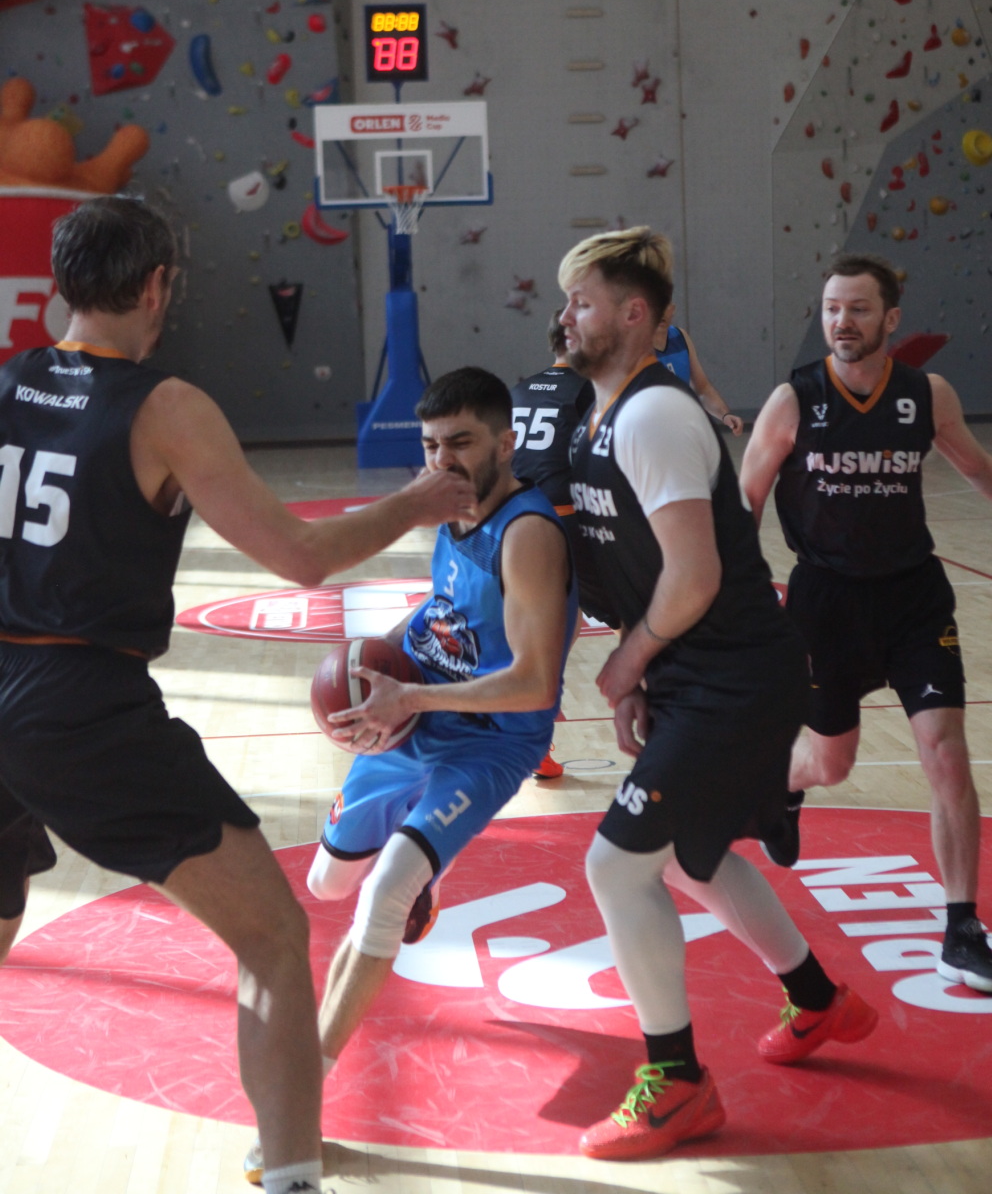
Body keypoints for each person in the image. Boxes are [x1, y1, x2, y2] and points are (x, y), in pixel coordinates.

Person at [0, 196, 475, 1194]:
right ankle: (293, 1175)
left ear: (62, 280)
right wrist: (417, 502)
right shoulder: (166, 406)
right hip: (75, 699)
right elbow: (301, 556)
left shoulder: (5, 381)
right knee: (270, 934)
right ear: (156, 286)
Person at [558, 227, 877, 1163]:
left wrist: (627, 664)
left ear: (634, 314)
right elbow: (642, 569)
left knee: (617, 867)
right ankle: (819, 1001)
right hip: (697, 673)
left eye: (581, 301)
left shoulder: (653, 415)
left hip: (735, 678)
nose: (563, 316)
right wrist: (643, 671)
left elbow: (693, 575)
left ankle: (679, 1085)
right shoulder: (598, 416)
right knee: (689, 859)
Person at [243, 366, 577, 1186]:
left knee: (384, 890)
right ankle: (416, 866)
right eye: (430, 446)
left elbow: (535, 682)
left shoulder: (527, 533)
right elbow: (444, 611)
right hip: (414, 713)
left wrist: (410, 696)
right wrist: (375, 665)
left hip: (488, 738)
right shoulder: (448, 512)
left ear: (505, 442)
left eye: (459, 443)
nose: (441, 461)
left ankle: (307, 1091)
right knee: (327, 884)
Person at [740, 252, 992, 998]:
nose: (841, 321)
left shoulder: (926, 394)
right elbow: (746, 496)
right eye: (832, 308)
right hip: (825, 602)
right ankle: (782, 784)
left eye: (857, 309)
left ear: (890, 318)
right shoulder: (795, 399)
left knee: (945, 751)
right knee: (832, 763)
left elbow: (976, 466)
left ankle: (961, 928)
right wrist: (739, 590)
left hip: (914, 598)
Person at [511, 308, 595, 779]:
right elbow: (599, 454)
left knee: (550, 625)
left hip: (518, 515)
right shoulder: (586, 389)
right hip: (563, 518)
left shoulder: (521, 389)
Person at [653, 302, 744, 435]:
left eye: (665, 305)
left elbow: (702, 389)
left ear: (672, 309)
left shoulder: (681, 337)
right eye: (656, 304)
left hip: (682, 430)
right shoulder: (635, 348)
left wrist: (725, 415)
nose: (661, 312)